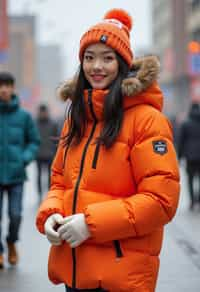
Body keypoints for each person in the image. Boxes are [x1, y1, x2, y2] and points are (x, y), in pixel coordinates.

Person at [36, 9, 180, 292]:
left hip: (121, 274)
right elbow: (59, 181)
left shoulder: (147, 120)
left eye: (107, 57)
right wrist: (51, 212)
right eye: (89, 58)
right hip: (75, 270)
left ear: (123, 64)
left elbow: (161, 201)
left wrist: (90, 224)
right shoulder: (76, 119)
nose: (96, 67)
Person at [0, 72, 40, 269]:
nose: (4, 89)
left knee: (15, 214)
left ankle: (11, 242)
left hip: (16, 175)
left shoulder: (24, 117)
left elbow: (34, 141)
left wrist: (24, 158)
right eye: (1, 86)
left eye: (7, 85)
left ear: (13, 88)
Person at [178, 102, 200, 210]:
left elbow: (181, 141)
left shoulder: (186, 124)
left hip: (190, 156)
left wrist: (179, 156)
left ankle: (192, 202)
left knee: (190, 179)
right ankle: (199, 200)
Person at [36, 104, 58, 200]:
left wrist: (55, 151)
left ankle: (49, 193)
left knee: (50, 176)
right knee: (39, 175)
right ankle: (40, 194)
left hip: (50, 154)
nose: (43, 114)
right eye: (42, 112)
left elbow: (56, 139)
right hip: (39, 154)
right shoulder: (35, 123)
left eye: (44, 112)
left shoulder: (53, 123)